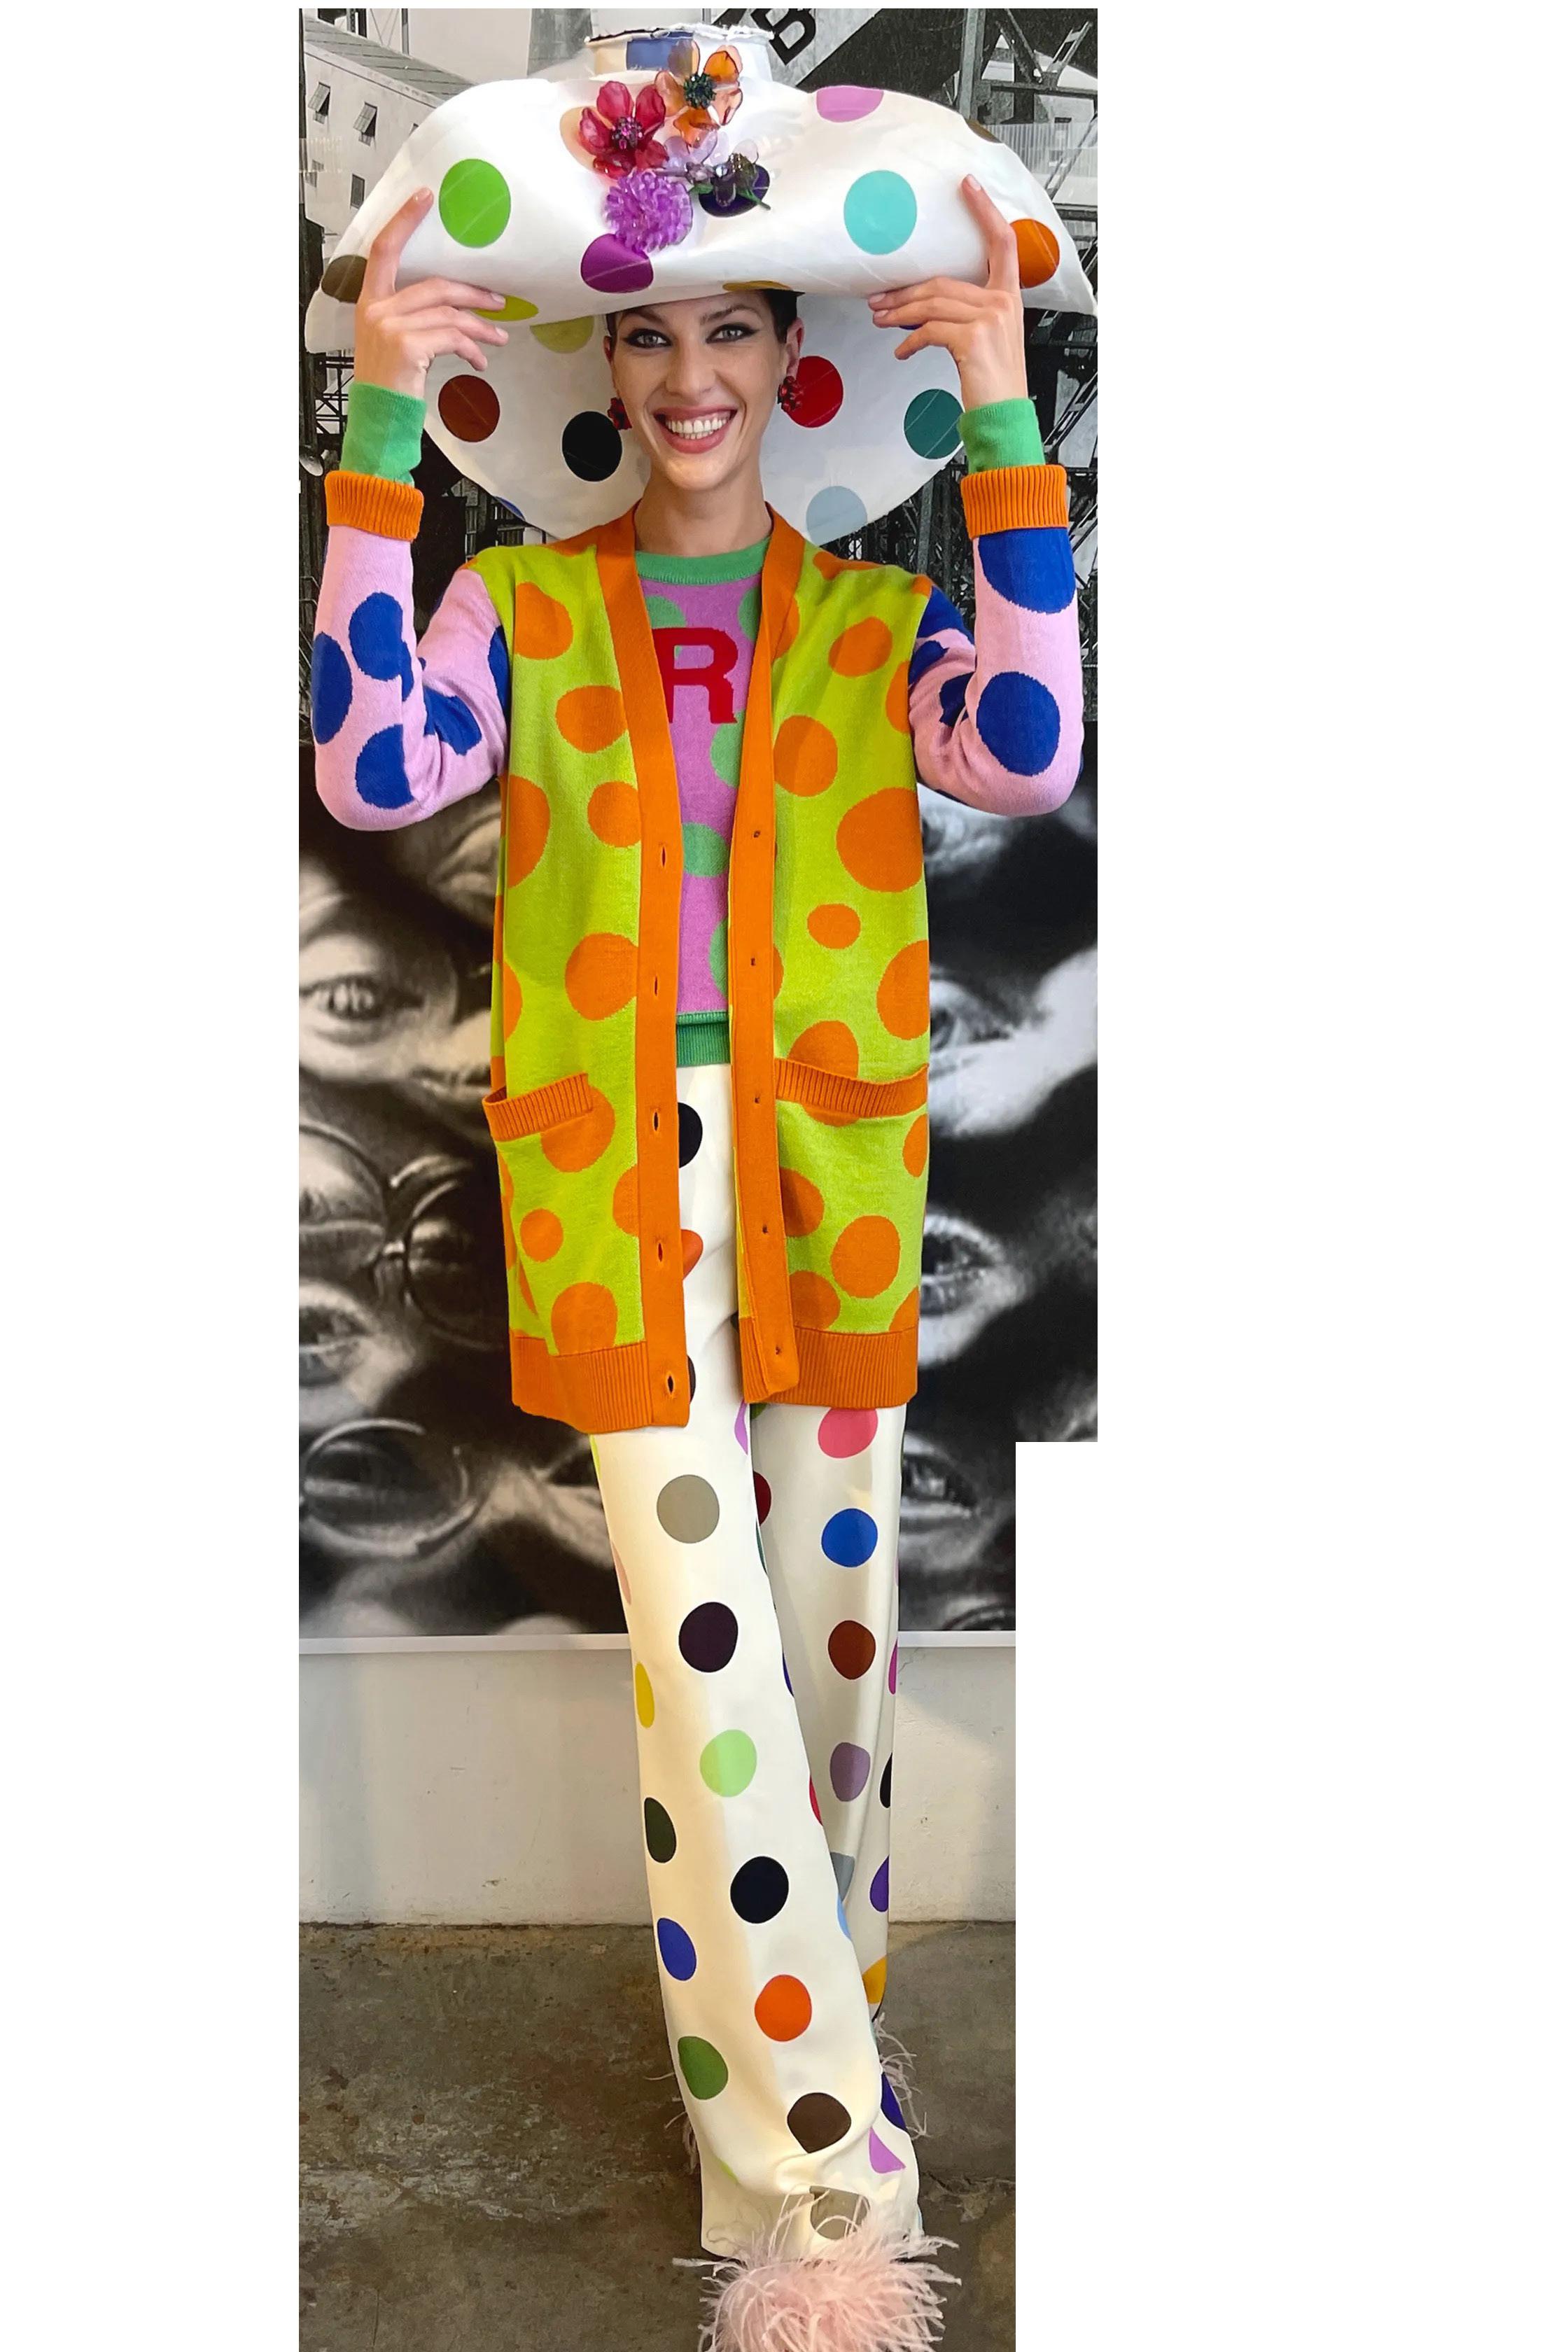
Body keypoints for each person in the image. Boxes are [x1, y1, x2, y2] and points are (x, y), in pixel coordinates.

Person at [309, 80, 1084, 2348]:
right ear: (607, 364)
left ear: (787, 358)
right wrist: (377, 422)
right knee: (704, 1648)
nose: (687, 374)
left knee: (833, 1646)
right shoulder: (524, 603)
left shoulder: (869, 612)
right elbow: (370, 761)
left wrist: (1000, 410)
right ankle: (825, 2203)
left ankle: (788, 2067)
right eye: (648, 335)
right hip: (607, 1162)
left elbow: (1029, 743)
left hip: (833, 1160)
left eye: (731, 327)